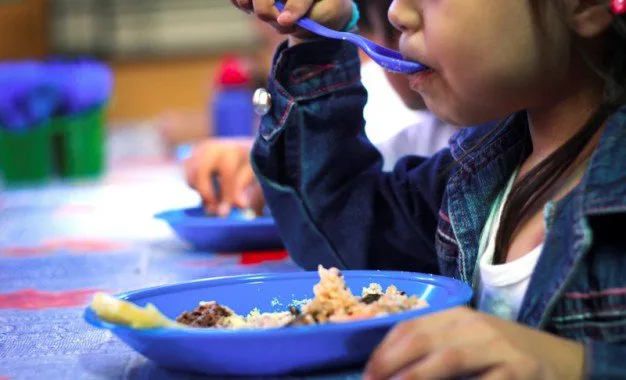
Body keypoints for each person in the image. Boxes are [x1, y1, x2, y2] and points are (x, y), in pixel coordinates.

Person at [230, 0, 626, 379]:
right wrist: (317, 43)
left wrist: (578, 367)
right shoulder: (478, 172)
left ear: (583, 4)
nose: (396, 13)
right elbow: (341, 232)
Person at [184, 0, 457, 215]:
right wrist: (264, 158)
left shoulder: (386, 94)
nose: (398, 15)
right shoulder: (429, 144)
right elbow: (343, 198)